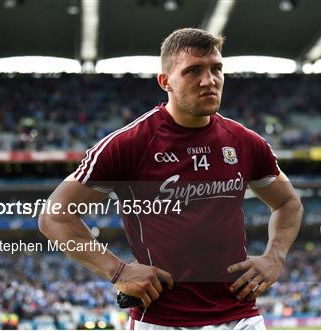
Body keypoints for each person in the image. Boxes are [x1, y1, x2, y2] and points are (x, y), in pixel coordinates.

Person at [38, 28, 303, 330]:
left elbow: (287, 203)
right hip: (162, 320)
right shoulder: (130, 144)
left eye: (217, 68)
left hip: (240, 318)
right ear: (165, 82)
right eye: (193, 71)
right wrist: (118, 271)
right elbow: (55, 217)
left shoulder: (244, 142)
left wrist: (274, 257)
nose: (209, 80)